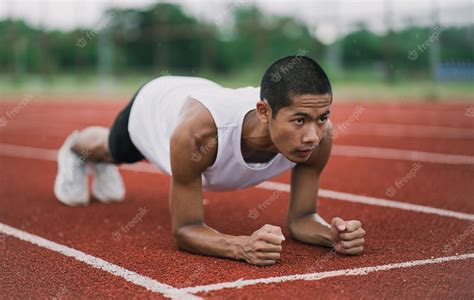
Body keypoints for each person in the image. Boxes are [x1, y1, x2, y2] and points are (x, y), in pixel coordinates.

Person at [54, 55, 366, 266]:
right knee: (113, 149)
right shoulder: (198, 135)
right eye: (299, 120)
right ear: (264, 112)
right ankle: (74, 150)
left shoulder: (320, 138)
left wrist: (332, 236)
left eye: (322, 117)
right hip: (157, 105)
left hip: (204, 92)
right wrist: (240, 247)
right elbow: (185, 229)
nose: (313, 134)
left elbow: (301, 219)